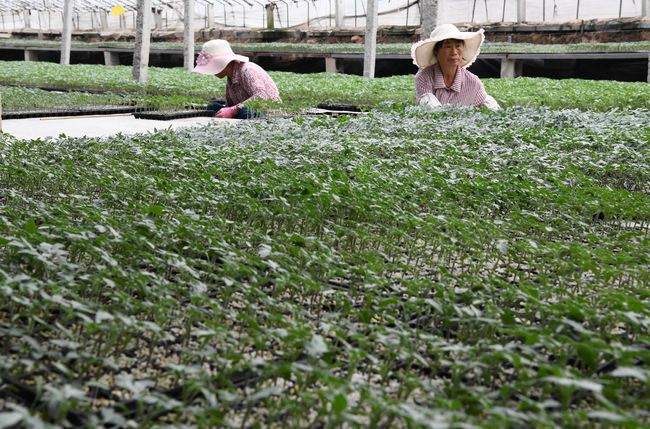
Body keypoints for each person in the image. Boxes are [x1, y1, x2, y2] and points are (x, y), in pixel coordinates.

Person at [411, 24, 500, 110]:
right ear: (436, 51)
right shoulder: (425, 78)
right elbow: (431, 109)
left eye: (458, 46)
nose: (454, 52)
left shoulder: (473, 82)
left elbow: (489, 105)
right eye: (448, 46)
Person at [193, 39, 281, 119]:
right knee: (213, 107)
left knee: (245, 113)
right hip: (242, 110)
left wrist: (233, 110)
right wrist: (228, 110)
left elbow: (262, 97)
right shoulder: (230, 76)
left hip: (267, 112)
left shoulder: (248, 70)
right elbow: (230, 105)